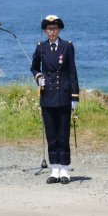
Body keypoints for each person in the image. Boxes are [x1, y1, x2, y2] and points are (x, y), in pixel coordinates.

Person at [30, 15, 79, 184]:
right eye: (49, 29)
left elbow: (72, 72)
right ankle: (54, 169)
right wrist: (38, 76)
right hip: (47, 96)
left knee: (63, 134)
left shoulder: (67, 46)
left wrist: (75, 96)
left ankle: (65, 170)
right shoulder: (41, 47)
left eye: (55, 28)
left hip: (64, 95)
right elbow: (34, 66)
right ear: (45, 31)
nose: (52, 31)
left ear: (59, 30)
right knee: (52, 134)